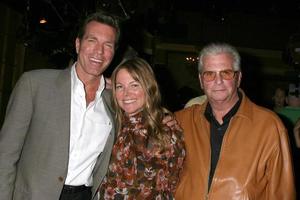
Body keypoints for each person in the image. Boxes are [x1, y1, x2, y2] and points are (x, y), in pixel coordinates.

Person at [0, 12, 177, 200]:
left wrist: (162, 119)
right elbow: (5, 155)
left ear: (113, 52)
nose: (99, 52)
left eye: (107, 45)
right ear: (78, 44)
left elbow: (142, 116)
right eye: (92, 40)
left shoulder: (115, 101)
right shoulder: (34, 85)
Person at [174, 43, 296, 199]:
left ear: (238, 78)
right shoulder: (181, 121)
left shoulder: (269, 126)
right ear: (200, 80)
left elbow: (283, 193)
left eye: (226, 73)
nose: (218, 81)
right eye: (209, 74)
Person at [97, 57, 185, 199]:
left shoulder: (166, 130)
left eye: (134, 85)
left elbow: (172, 185)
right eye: (120, 87)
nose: (126, 94)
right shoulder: (111, 125)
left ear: (149, 87)